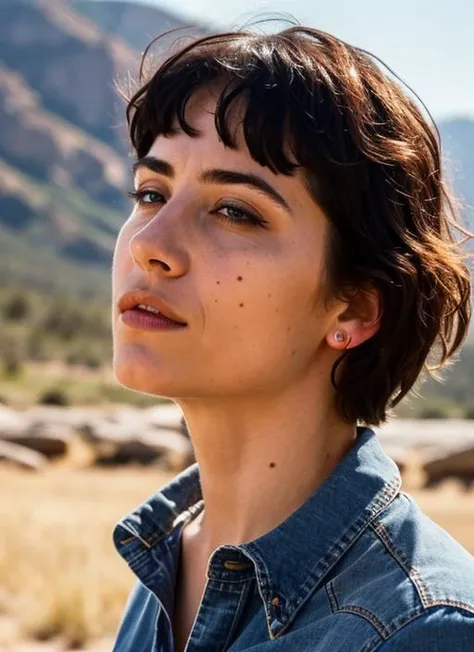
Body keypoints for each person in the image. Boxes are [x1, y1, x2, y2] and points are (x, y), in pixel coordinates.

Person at [110, 22, 474, 652]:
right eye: (151, 193)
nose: (148, 246)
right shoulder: (165, 564)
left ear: (354, 308)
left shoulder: (424, 631)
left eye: (235, 211)